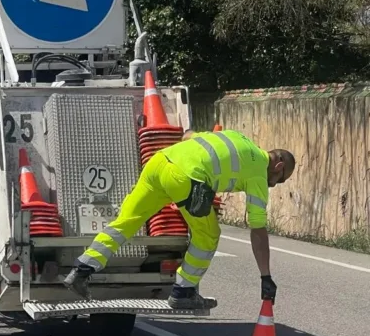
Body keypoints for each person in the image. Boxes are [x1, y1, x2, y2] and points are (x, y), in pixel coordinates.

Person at [63, 129, 296, 309]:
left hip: (159, 162)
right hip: (184, 178)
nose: (274, 185)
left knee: (126, 222)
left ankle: (82, 270)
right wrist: (265, 276)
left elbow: (189, 135)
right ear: (278, 165)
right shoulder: (258, 172)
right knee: (208, 235)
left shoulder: (237, 136)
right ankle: (183, 292)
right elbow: (258, 230)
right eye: (280, 179)